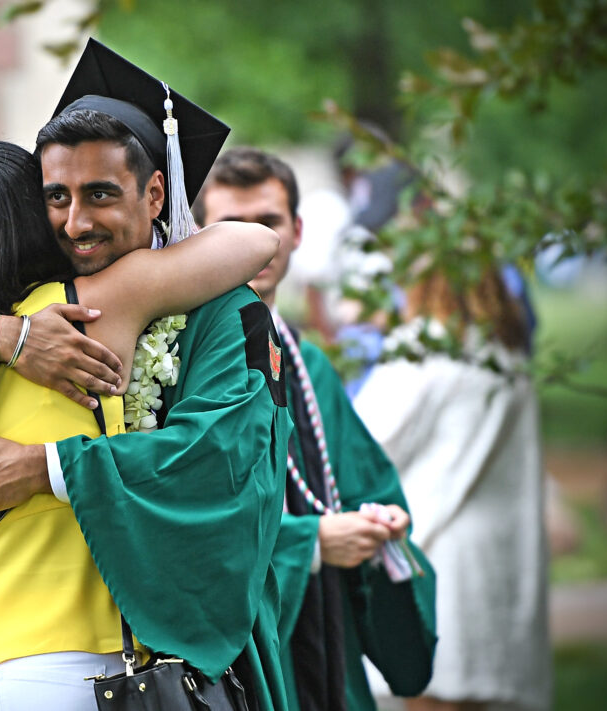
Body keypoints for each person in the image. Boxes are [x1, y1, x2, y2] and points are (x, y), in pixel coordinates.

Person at [0, 39, 293, 710]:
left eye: (100, 194)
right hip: (51, 664)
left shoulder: (212, 313)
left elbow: (221, 457)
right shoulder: (43, 302)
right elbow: (259, 241)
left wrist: (41, 464)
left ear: (155, 192)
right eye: (55, 197)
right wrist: (12, 337)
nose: (76, 221)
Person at [194, 146, 437, 711]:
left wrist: (382, 522)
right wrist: (309, 545)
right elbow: (183, 525)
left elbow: (364, 482)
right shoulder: (183, 359)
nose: (252, 240)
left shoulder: (310, 365)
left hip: (324, 639)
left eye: (268, 222)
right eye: (230, 224)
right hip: (235, 657)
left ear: (297, 231)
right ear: (198, 234)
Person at [352, 268, 551, 711]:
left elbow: (365, 442)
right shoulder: (507, 352)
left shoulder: (424, 348)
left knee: (435, 690)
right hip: (500, 556)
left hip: (439, 548)